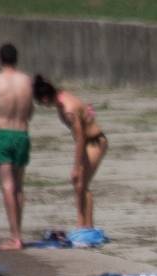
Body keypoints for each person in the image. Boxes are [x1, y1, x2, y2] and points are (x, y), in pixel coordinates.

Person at [32, 75, 107, 230]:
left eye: (40, 102)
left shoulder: (68, 110)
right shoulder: (61, 96)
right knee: (79, 184)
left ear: (45, 99)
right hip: (87, 142)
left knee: (81, 183)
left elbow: (80, 138)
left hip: (95, 142)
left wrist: (75, 167)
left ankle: (87, 228)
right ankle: (83, 226)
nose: (41, 105)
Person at [0, 43, 34, 250]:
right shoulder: (27, 81)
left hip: (3, 134)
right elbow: (30, 112)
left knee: (7, 185)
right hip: (22, 134)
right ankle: (18, 233)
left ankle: (15, 237)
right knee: (19, 186)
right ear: (16, 59)